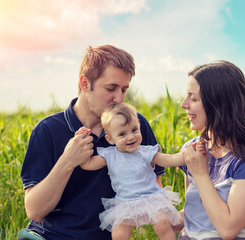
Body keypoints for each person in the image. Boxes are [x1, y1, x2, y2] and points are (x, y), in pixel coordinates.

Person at [20, 45, 165, 240]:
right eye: (111, 88)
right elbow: (35, 211)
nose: (119, 98)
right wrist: (68, 160)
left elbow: (154, 186)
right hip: (52, 236)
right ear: (85, 83)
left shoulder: (134, 126)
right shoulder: (47, 129)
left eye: (124, 89)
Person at [177, 60, 245, 240]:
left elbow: (228, 229)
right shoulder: (194, 149)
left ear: (218, 103)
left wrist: (201, 174)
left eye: (193, 98)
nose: (184, 104)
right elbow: (195, 214)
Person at [76, 103, 204, 240]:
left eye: (134, 130)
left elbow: (170, 159)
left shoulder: (146, 152)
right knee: (118, 233)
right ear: (110, 139)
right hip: (125, 202)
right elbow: (88, 165)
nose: (130, 137)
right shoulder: (109, 155)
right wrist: (81, 146)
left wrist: (189, 152)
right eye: (122, 134)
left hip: (151, 198)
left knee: (163, 225)